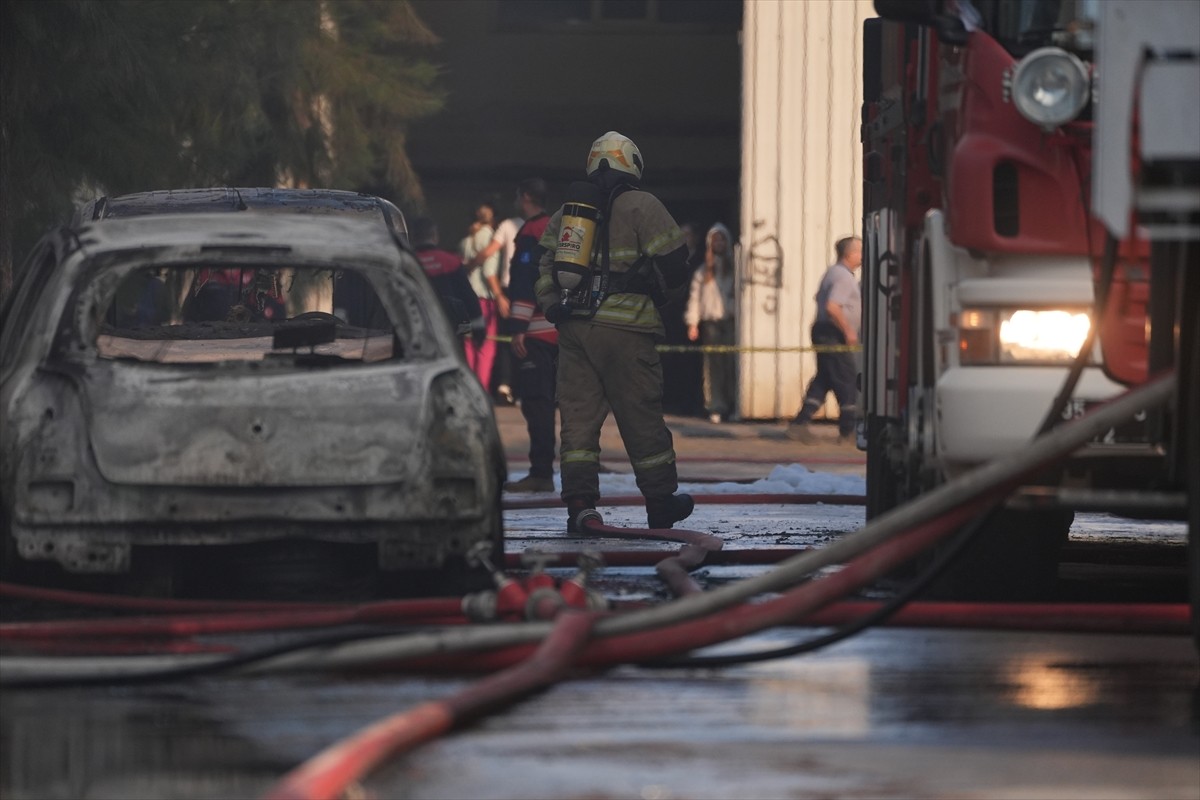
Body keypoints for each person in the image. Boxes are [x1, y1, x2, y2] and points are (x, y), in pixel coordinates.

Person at [535, 131, 695, 531]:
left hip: (574, 330)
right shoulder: (643, 205)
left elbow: (543, 270)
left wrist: (554, 306)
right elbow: (676, 264)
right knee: (640, 417)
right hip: (627, 332)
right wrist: (659, 295)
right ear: (631, 163)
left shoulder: (566, 215)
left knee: (578, 420)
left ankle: (580, 505)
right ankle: (660, 503)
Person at [503, 178, 558, 494]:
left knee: (536, 405)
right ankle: (546, 470)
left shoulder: (530, 234)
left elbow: (525, 282)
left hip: (535, 333)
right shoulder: (556, 227)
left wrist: (518, 329)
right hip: (557, 331)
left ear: (524, 197)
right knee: (548, 404)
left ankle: (540, 473)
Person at [786, 235, 862, 444]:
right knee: (846, 379)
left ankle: (799, 424)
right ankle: (848, 432)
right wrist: (848, 330)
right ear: (850, 254)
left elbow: (818, 296)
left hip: (823, 331)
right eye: (860, 251)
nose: (863, 256)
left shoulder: (834, 272)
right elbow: (832, 306)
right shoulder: (843, 277)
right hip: (833, 333)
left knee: (825, 379)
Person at [469, 197, 525, 405]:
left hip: (494, 292)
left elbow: (488, 256)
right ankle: (506, 388)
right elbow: (490, 263)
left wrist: (467, 266)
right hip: (504, 293)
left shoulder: (503, 227)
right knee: (500, 342)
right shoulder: (504, 229)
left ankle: (499, 385)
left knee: (493, 341)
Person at [684, 222, 736, 423]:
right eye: (715, 240)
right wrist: (692, 323)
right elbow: (695, 298)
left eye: (722, 239)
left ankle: (733, 404)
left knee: (731, 366)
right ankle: (716, 406)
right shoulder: (703, 271)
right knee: (712, 368)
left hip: (730, 322)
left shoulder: (735, 268)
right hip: (710, 323)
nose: (719, 243)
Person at [409, 216, 482, 346]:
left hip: (416, 334)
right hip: (450, 332)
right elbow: (468, 297)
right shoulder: (451, 262)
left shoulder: (405, 264)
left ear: (413, 237)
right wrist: (478, 330)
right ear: (435, 236)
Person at [460, 203, 501, 390]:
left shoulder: (467, 239)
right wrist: (500, 295)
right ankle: (481, 391)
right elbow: (488, 272)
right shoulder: (492, 237)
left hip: (467, 298)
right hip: (485, 299)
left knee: (469, 344)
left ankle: (469, 389)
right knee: (486, 347)